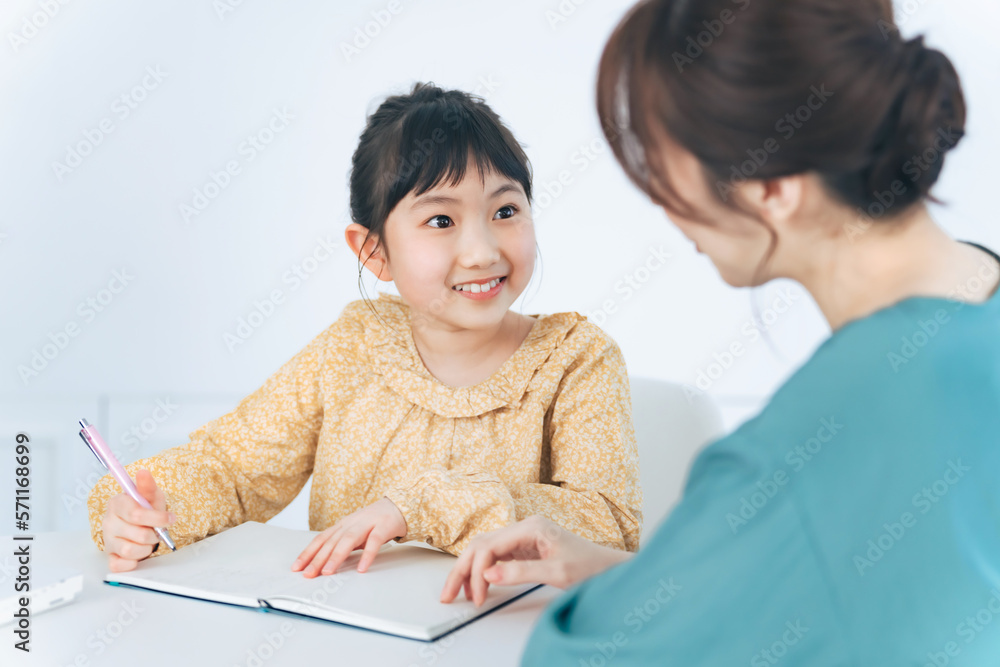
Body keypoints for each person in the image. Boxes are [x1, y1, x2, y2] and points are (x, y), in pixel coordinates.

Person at [442, 1, 1000, 663]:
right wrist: (650, 577)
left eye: (662, 163)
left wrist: (646, 593)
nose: (660, 201)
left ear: (773, 187)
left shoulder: (804, 450)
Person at [87, 83, 642, 577]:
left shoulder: (576, 359)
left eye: (505, 211)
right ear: (375, 252)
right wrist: (144, 509)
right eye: (441, 220)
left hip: (504, 633)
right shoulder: (355, 347)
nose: (482, 251)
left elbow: (608, 528)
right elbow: (232, 471)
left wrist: (421, 504)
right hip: (349, 633)